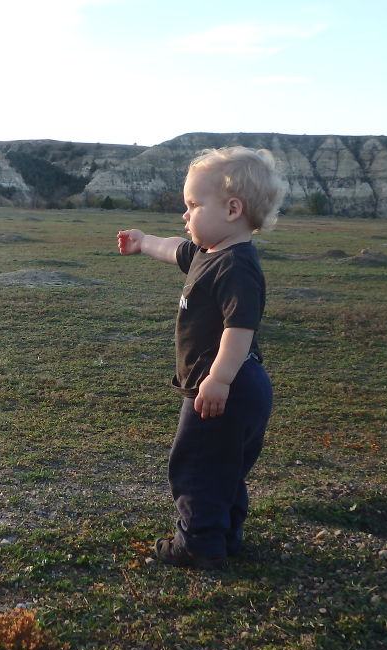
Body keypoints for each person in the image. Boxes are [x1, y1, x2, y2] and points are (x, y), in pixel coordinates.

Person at [117, 146, 287, 569]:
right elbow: (173, 246)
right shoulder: (208, 254)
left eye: (193, 205)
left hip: (228, 386)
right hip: (236, 386)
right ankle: (225, 535)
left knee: (196, 466)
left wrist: (218, 380)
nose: (185, 214)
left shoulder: (236, 266)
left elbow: (239, 330)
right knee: (224, 468)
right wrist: (142, 243)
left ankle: (197, 544)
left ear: (232, 209)